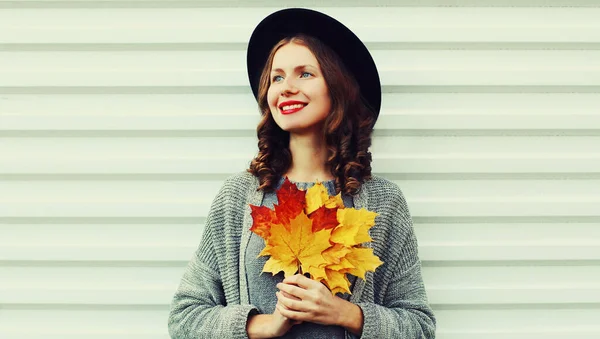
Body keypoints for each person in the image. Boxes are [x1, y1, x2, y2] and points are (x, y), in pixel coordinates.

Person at [168, 8, 436, 339]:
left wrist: (346, 314)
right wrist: (263, 325)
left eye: (305, 74)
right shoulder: (238, 196)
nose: (286, 87)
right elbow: (185, 317)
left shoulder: (383, 201)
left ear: (337, 87)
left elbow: (420, 326)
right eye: (277, 77)